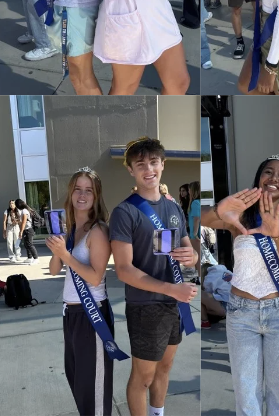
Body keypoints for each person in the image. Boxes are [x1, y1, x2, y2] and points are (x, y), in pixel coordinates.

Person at [201, 155, 279, 416]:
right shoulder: (241, 217)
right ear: (259, 178)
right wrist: (220, 209)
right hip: (241, 312)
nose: (274, 178)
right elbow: (203, 221)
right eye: (268, 172)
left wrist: (275, 233)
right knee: (246, 392)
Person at [109, 137, 198, 416]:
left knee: (164, 369)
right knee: (143, 377)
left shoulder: (173, 208)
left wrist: (191, 257)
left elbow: (188, 249)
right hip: (145, 306)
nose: (149, 169)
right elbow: (124, 269)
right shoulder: (125, 212)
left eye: (153, 162)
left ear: (163, 164)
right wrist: (171, 290)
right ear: (131, 171)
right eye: (140, 164)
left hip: (174, 304)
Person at [46, 167, 117, 416]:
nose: (82, 194)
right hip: (71, 315)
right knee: (77, 381)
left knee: (93, 392)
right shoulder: (71, 229)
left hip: (92, 316)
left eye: (89, 190)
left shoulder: (98, 230)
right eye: (78, 189)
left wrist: (66, 255)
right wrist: (58, 251)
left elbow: (96, 277)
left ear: (96, 196)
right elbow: (55, 270)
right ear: (71, 192)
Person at [15, 198, 39, 264]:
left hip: (28, 229)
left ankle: (36, 258)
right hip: (27, 229)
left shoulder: (24, 211)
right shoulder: (25, 210)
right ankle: (29, 257)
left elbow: (24, 222)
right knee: (26, 244)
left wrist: (21, 231)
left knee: (29, 244)